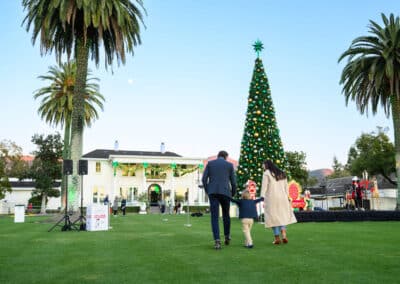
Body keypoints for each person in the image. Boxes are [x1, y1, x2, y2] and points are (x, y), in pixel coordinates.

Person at [202, 150, 237, 250]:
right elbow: (233, 182)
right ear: (226, 157)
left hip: (213, 192)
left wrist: (207, 190)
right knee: (226, 215)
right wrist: (232, 193)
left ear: (218, 156)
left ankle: (217, 240)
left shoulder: (210, 164)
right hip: (225, 192)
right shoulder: (230, 165)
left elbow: (204, 179)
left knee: (214, 217)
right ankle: (227, 235)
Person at [261, 160, 297, 245]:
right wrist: (287, 197)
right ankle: (284, 235)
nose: (262, 166)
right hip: (283, 198)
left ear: (266, 165)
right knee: (282, 216)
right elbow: (286, 187)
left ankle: (277, 238)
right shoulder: (282, 173)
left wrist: (262, 197)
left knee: (273, 217)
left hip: (271, 198)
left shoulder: (266, 173)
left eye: (263, 165)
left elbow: (264, 186)